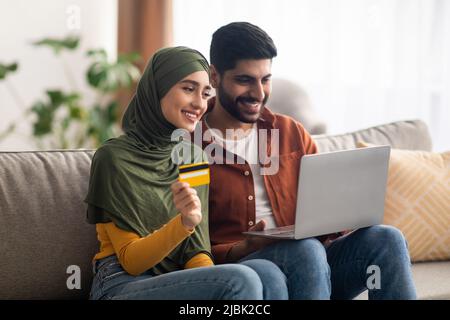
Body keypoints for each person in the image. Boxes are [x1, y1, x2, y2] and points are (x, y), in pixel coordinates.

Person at [200, 22, 417, 300]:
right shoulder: (190, 144)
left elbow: (324, 208)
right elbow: (188, 246)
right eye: (245, 80)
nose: (258, 93)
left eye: (265, 79)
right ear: (215, 77)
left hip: (313, 268)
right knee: (306, 249)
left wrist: (343, 216)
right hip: (247, 271)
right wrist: (241, 247)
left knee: (387, 239)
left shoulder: (290, 132)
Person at [85, 46, 288, 300]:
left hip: (177, 280)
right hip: (121, 284)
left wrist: (210, 281)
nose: (199, 104)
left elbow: (196, 251)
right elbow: (131, 261)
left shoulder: (193, 157)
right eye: (188, 88)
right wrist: (184, 224)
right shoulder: (113, 158)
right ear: (158, 87)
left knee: (268, 272)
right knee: (241, 279)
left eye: (205, 93)